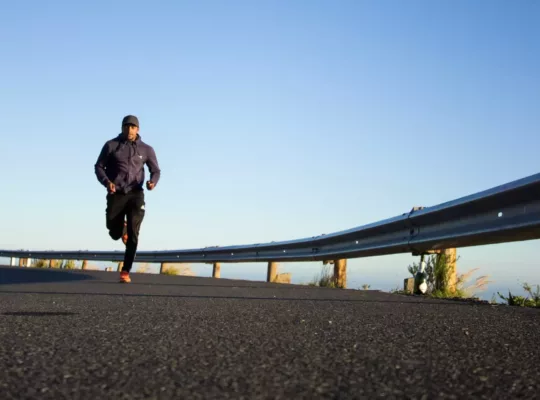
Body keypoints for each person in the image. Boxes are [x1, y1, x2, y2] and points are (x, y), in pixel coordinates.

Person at [94, 115, 161, 283]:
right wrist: (107, 182)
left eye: (133, 127)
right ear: (122, 128)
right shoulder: (111, 145)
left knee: (134, 232)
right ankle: (120, 229)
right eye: (126, 127)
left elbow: (156, 170)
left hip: (136, 194)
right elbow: (99, 167)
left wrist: (153, 182)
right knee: (113, 231)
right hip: (116, 193)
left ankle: (125, 270)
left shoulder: (146, 149)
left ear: (137, 129)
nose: (129, 130)